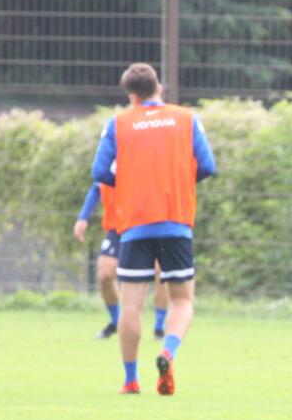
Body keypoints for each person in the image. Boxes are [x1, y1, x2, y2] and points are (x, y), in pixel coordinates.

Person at [91, 63, 216, 395]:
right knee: (182, 300)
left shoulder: (118, 123)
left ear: (131, 96)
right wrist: (176, 182)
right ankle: (167, 351)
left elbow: (100, 170)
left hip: (134, 225)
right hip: (176, 222)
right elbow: (208, 165)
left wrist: (131, 184)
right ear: (159, 87)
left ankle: (131, 380)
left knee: (131, 304)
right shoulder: (187, 118)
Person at [73, 182, 171, 340]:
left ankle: (159, 327)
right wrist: (83, 217)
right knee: (104, 274)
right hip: (117, 227)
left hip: (149, 223)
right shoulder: (110, 159)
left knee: (163, 272)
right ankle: (117, 322)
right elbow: (97, 186)